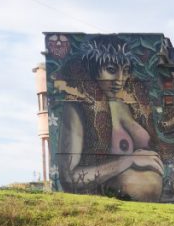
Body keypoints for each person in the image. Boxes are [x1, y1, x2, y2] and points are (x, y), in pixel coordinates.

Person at [56, 44, 164, 201]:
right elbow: (69, 177)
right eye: (111, 70)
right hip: (109, 208)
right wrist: (129, 160)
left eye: (125, 71)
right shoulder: (77, 107)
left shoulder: (127, 105)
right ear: (92, 69)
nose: (119, 80)